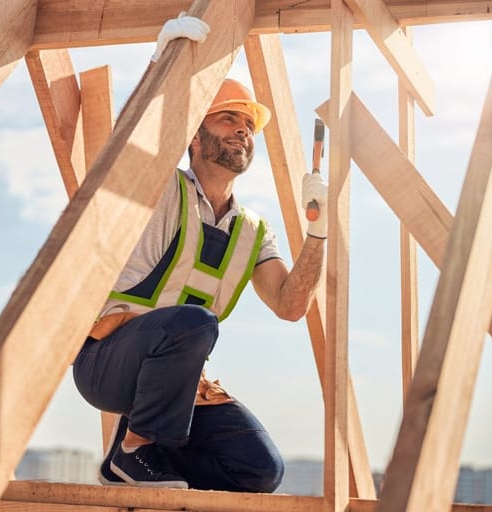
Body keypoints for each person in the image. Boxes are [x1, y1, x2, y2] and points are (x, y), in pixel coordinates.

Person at [72, 13, 328, 493]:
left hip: (173, 387)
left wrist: (320, 232)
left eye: (248, 124)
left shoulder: (252, 231)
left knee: (259, 469)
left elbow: (292, 306)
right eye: (228, 117)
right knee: (197, 321)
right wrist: (159, 69)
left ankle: (142, 463)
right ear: (194, 133)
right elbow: (130, 148)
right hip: (108, 362)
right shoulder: (162, 190)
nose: (242, 130)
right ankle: (133, 451)